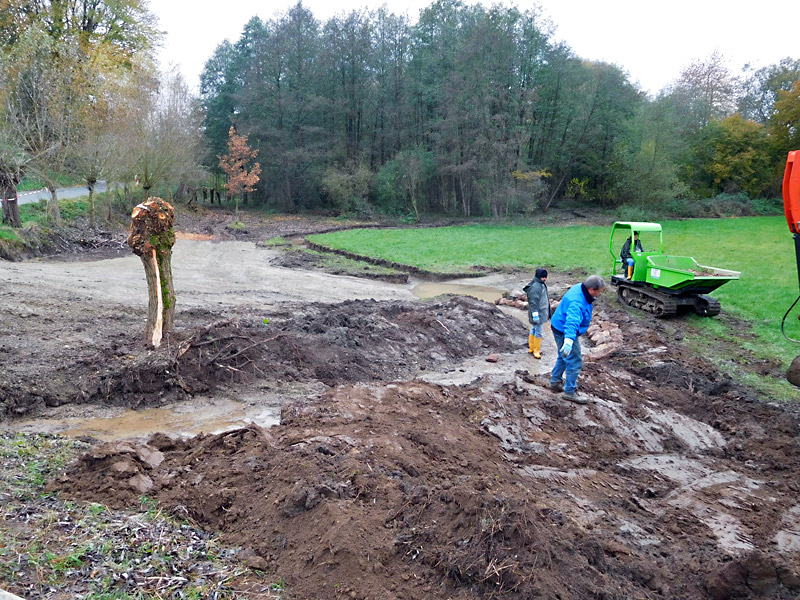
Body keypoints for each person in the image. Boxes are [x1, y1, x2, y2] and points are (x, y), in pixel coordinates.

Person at [549, 275, 606, 404]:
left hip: (558, 324)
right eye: (599, 291)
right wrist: (569, 340)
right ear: (591, 289)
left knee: (563, 355)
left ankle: (555, 382)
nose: (600, 294)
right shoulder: (577, 302)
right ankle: (570, 392)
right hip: (565, 329)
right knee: (574, 360)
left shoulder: (581, 288)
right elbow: (572, 321)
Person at [523, 268, 550, 359]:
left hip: (540, 312)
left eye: (545, 277)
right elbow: (533, 302)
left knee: (534, 329)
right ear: (539, 277)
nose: (545, 279)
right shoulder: (536, 287)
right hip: (538, 313)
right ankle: (536, 350)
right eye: (543, 277)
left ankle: (532, 348)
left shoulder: (540, 284)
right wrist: (535, 315)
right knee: (538, 331)